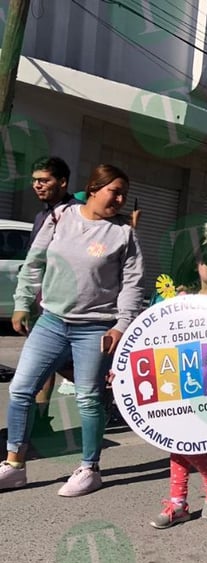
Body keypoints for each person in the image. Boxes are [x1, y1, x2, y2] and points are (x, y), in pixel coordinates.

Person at [0, 164, 144, 495]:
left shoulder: (124, 234)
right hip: (51, 321)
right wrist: (23, 302)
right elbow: (34, 262)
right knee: (20, 389)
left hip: (95, 328)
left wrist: (121, 326)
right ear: (94, 189)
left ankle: (89, 469)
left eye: (123, 193)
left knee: (89, 398)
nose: (120, 199)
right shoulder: (60, 217)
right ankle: (14, 465)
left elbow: (133, 286)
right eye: (114, 191)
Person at [150, 240, 207, 528]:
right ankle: (182, 500)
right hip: (181, 376)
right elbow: (156, 338)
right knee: (176, 437)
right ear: (197, 265)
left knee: (189, 438)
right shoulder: (182, 298)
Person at [26, 157, 82, 438]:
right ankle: (40, 418)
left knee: (72, 367)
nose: (37, 185)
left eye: (44, 180)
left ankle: (112, 399)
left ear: (62, 182)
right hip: (43, 303)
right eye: (35, 179)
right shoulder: (42, 216)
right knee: (45, 363)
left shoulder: (78, 214)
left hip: (70, 306)